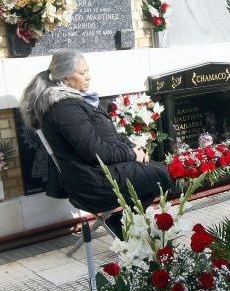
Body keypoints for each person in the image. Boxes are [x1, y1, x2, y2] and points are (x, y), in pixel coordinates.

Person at [19, 50, 171, 238]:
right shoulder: (64, 109)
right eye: (82, 73)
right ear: (65, 79)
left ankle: (121, 221)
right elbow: (96, 152)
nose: (88, 76)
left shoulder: (77, 100)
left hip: (104, 171)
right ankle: (121, 222)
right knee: (162, 174)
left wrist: (132, 147)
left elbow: (110, 135)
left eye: (87, 71)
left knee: (160, 172)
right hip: (92, 182)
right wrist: (131, 154)